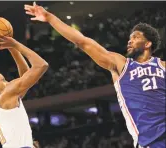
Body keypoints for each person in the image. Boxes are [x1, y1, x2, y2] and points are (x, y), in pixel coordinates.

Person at [24, 2, 165, 148]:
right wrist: (50, 18)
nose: (130, 40)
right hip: (150, 142)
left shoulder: (163, 66)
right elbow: (83, 42)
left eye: (135, 37)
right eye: (130, 37)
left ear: (148, 44)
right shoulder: (121, 64)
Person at [0, 32, 48, 148]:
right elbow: (41, 65)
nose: (7, 82)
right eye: (2, 80)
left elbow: (26, 77)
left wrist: (12, 49)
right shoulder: (6, 95)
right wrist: (16, 44)